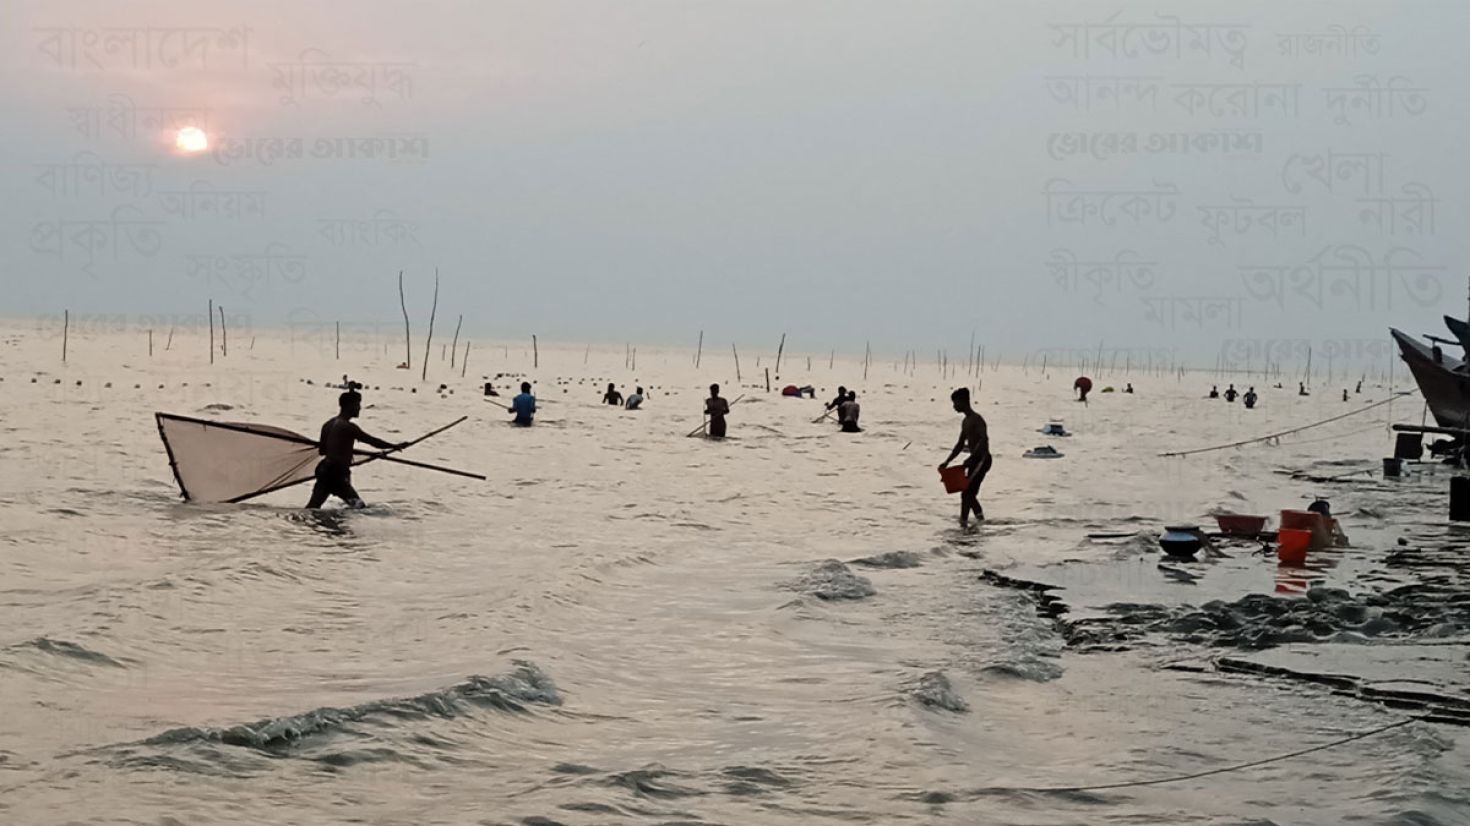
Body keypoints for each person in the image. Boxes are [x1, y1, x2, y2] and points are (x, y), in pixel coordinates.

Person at [306, 390, 406, 509]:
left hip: (324, 470)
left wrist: (345, 450)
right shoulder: (348, 427)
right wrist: (394, 446)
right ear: (349, 406)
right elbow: (372, 441)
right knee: (359, 506)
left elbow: (322, 451)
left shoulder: (327, 425)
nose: (359, 408)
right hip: (336, 473)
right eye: (357, 404)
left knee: (313, 506)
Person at [939, 387, 992, 528]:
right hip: (974, 461)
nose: (954, 406)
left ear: (963, 402)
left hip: (982, 460)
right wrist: (947, 461)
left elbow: (984, 440)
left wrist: (972, 458)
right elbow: (959, 445)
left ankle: (964, 523)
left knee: (967, 493)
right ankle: (979, 521)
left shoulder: (977, 420)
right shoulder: (965, 422)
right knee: (968, 493)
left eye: (955, 403)